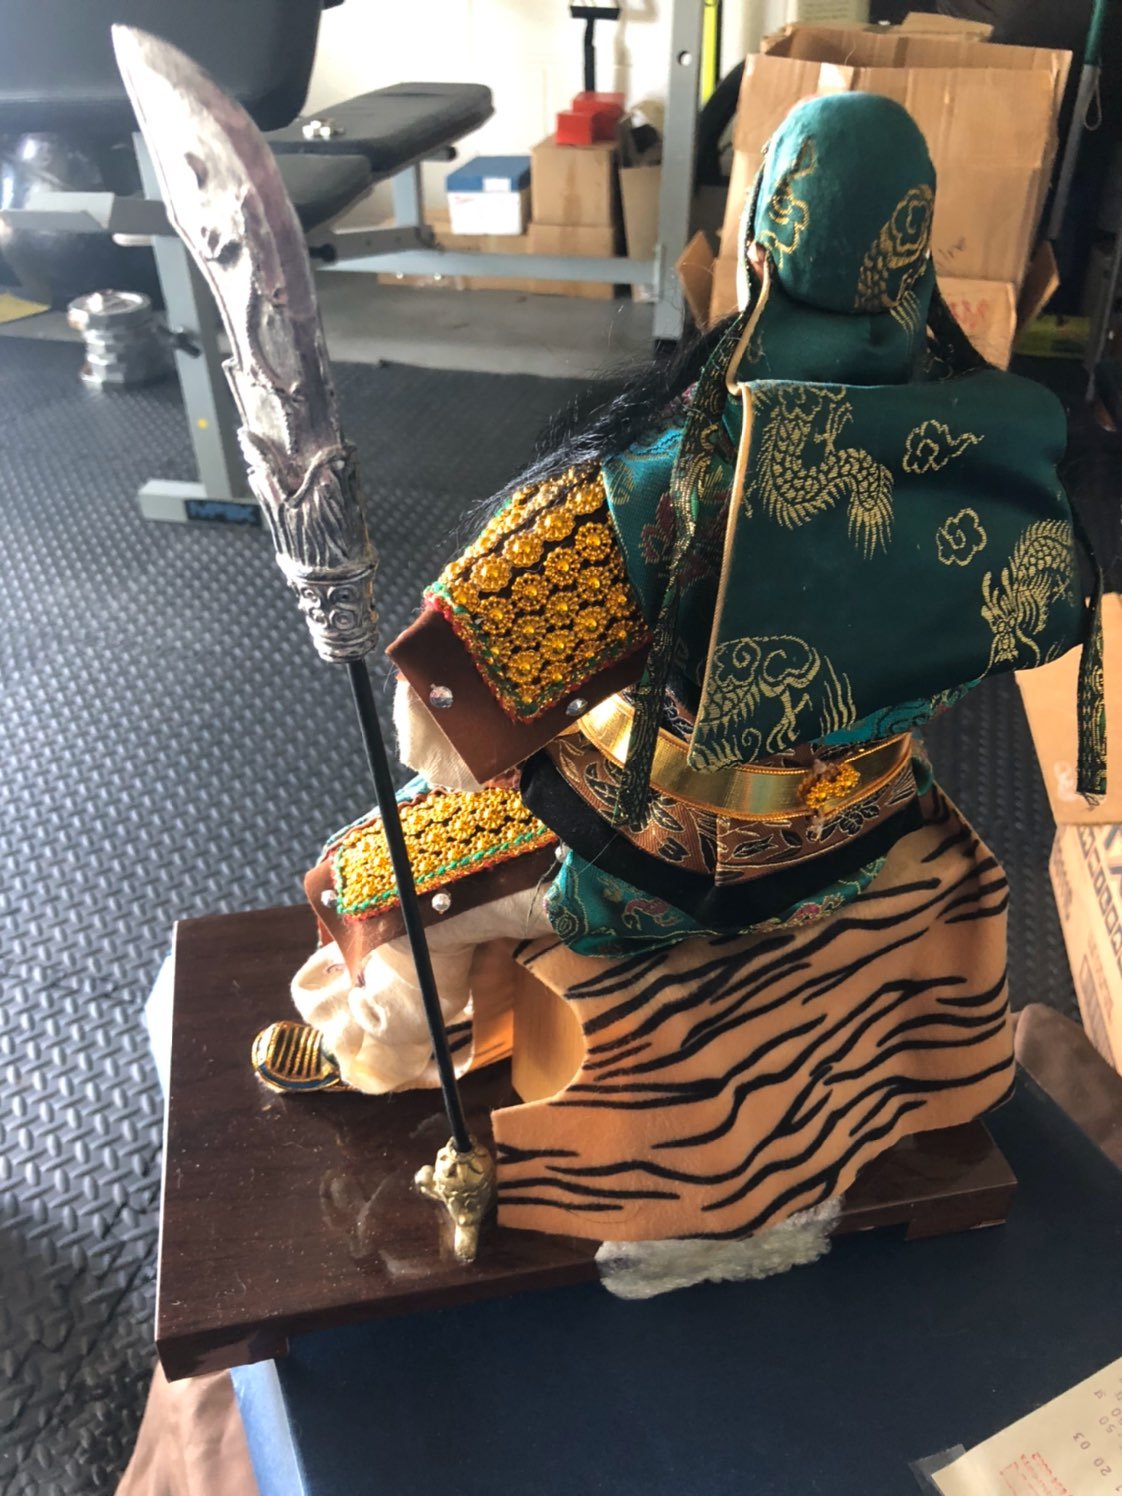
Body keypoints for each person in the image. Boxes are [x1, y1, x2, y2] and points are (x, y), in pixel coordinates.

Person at [253, 92, 1104, 1245]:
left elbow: (443, 725)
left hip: (687, 843)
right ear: (914, 246)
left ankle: (395, 1056)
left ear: (760, 243)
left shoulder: (681, 473)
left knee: (377, 881)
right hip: (874, 804)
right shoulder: (1000, 425)